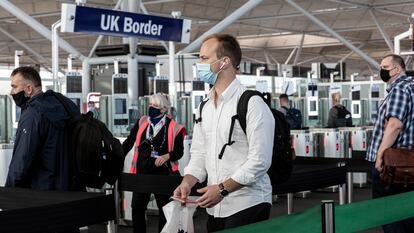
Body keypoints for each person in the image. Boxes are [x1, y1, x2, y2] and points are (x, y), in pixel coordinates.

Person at [173, 34, 275, 232]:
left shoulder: (252, 104)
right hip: (214, 207)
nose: (198, 64)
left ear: (224, 62)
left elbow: (260, 161)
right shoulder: (205, 106)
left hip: (248, 203)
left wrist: (222, 189)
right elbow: (200, 153)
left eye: (204, 58)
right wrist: (187, 182)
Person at [6, 66, 80, 191]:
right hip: (71, 189)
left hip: (43, 193)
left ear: (29, 89)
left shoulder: (32, 114)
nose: (11, 92)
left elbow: (21, 161)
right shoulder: (63, 104)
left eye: (14, 87)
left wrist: (8, 194)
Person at [122, 93, 186, 233]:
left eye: (155, 106)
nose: (151, 108)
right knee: (137, 208)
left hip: (162, 174)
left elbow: (179, 152)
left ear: (164, 109)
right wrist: (118, 155)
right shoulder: (142, 121)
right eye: (150, 104)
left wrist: (167, 156)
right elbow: (129, 141)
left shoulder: (175, 127)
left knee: (165, 209)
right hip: (142, 173)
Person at [367, 54, 414, 233]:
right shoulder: (412, 87)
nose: (382, 70)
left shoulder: (400, 89)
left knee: (390, 215)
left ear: (397, 69)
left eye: (385, 67)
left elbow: (395, 125)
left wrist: (379, 157)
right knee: (408, 215)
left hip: (392, 165)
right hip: (409, 163)